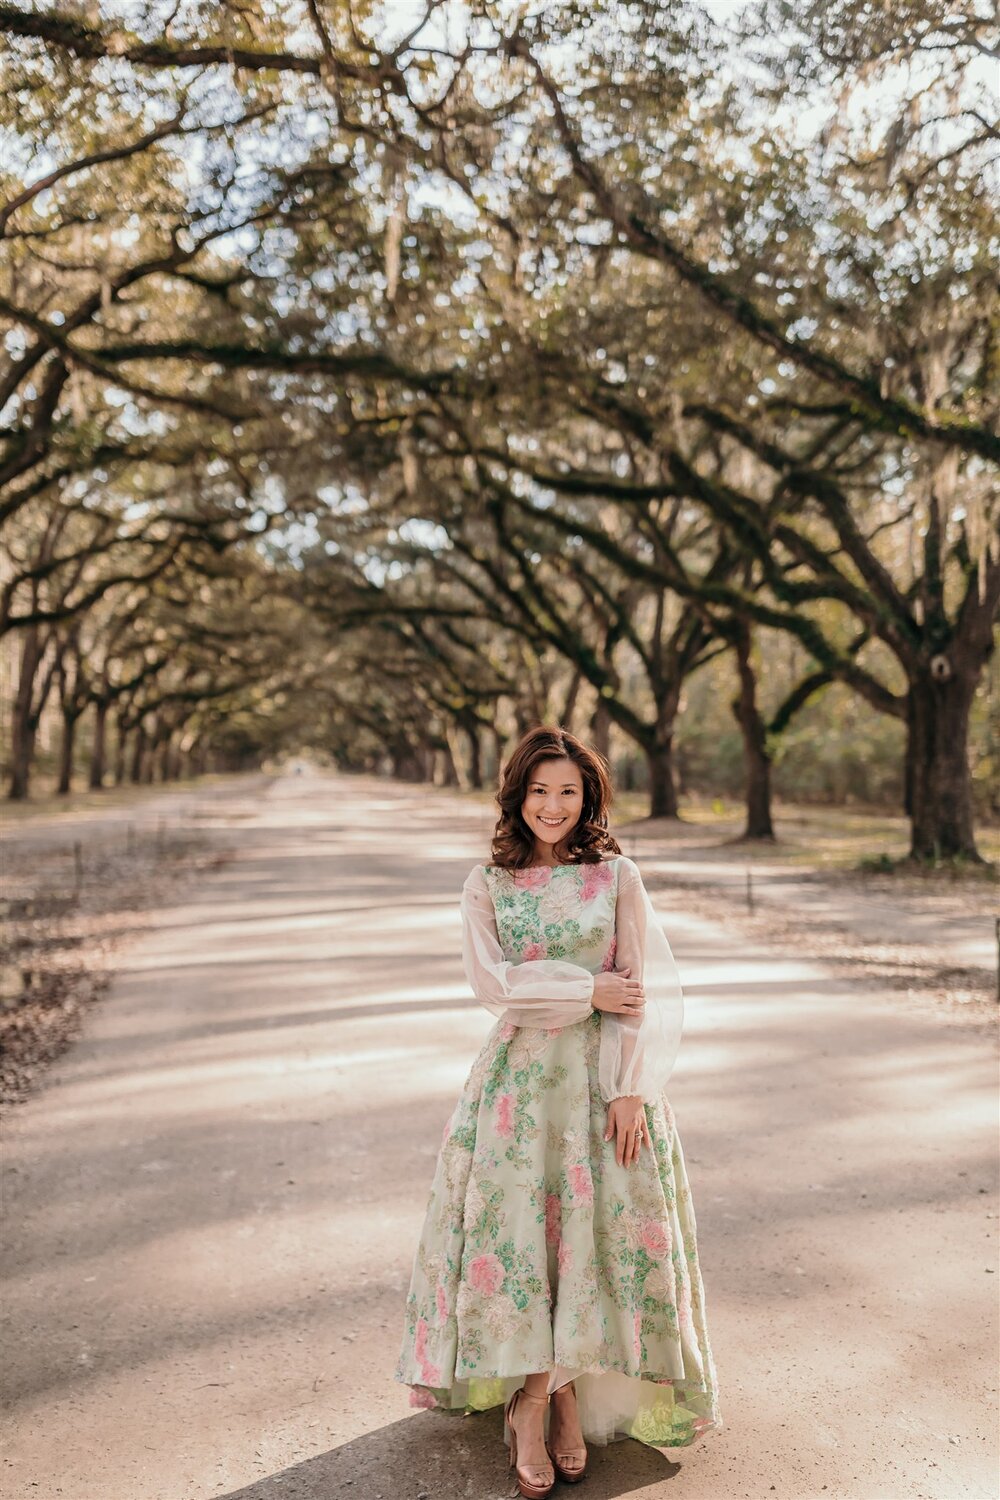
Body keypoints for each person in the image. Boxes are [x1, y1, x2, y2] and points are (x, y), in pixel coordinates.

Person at [395, 725, 720, 1495]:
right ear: (517, 795)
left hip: (605, 1087)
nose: (554, 805)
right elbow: (496, 986)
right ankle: (544, 1399)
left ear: (589, 796)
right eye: (540, 790)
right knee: (526, 1248)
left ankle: (543, 1398)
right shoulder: (487, 884)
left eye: (568, 791)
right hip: (519, 1095)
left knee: (601, 1245)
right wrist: (587, 990)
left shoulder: (616, 877)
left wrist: (631, 1087)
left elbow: (642, 987)